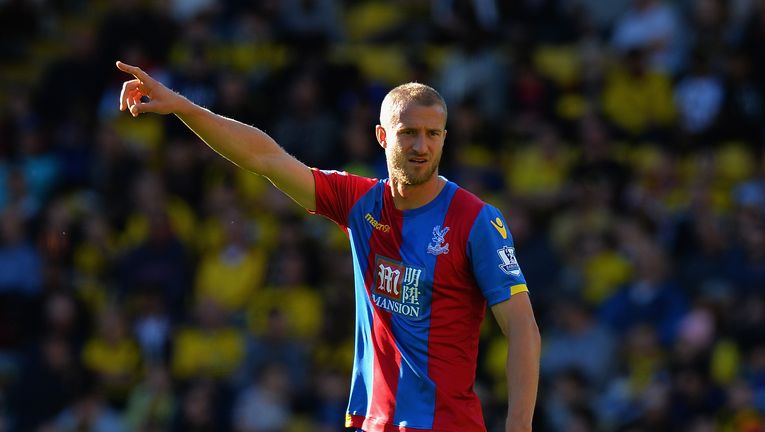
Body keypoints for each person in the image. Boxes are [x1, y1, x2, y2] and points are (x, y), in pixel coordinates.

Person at [116, 60, 540, 432]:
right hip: (376, 421)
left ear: (445, 138)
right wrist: (184, 107)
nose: (420, 146)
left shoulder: (476, 221)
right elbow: (265, 159)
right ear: (381, 136)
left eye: (432, 134)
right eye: (408, 133)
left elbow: (521, 327)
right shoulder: (359, 202)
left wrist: (519, 425)